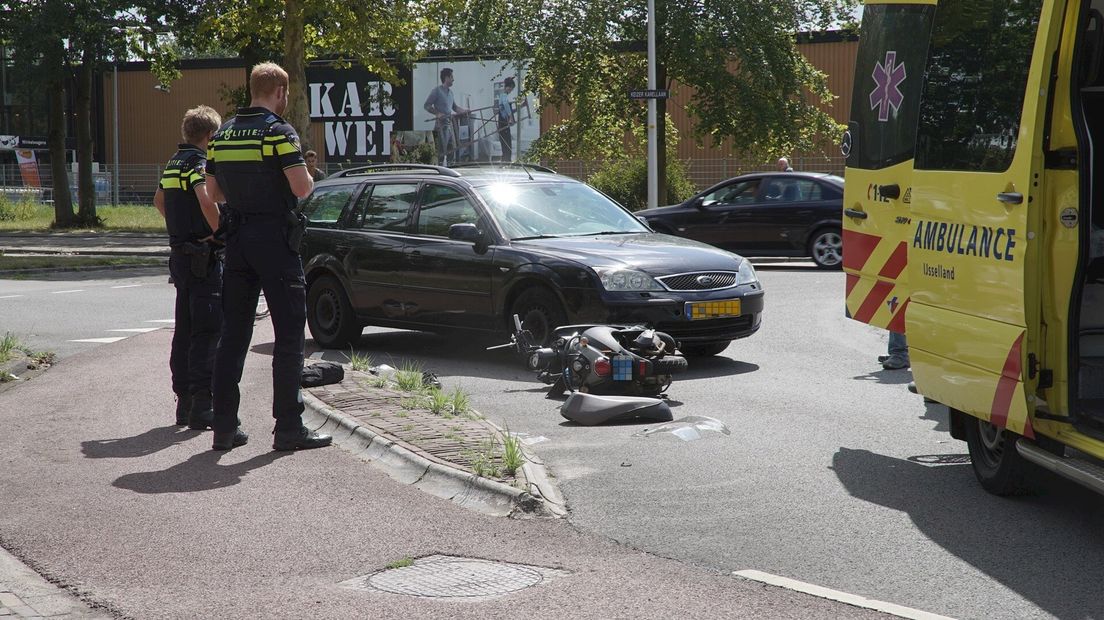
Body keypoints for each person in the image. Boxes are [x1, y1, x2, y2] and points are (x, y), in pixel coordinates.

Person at [205, 61, 332, 452]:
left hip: (239, 240)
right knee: (290, 333)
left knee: (234, 335)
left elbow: (214, 194)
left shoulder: (222, 135)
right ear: (280, 91)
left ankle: (224, 427)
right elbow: (300, 187)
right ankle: (289, 428)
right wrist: (308, 177)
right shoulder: (279, 132)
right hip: (275, 241)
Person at [153, 105, 224, 429]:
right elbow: (206, 198)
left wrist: (179, 228)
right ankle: (201, 404)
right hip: (202, 257)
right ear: (210, 136)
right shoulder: (198, 162)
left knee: (183, 329)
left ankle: (183, 401)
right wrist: (219, 234)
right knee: (206, 331)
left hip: (180, 256)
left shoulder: (173, 163)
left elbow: (159, 200)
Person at [423, 67, 468, 165]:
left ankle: (451, 172)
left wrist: (464, 111)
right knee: (441, 152)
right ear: (446, 78)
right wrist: (438, 113)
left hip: (450, 126)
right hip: (440, 126)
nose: (453, 79)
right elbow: (426, 105)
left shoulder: (451, 93)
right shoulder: (437, 91)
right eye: (451, 77)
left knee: (452, 150)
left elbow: (455, 108)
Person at [496, 77, 515, 162]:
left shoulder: (503, 96)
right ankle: (506, 161)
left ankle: (506, 161)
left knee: (506, 143)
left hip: (503, 122)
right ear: (508, 87)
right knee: (507, 144)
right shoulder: (503, 96)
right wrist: (511, 117)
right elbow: (506, 106)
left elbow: (507, 109)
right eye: (511, 88)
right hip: (503, 123)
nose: (511, 90)